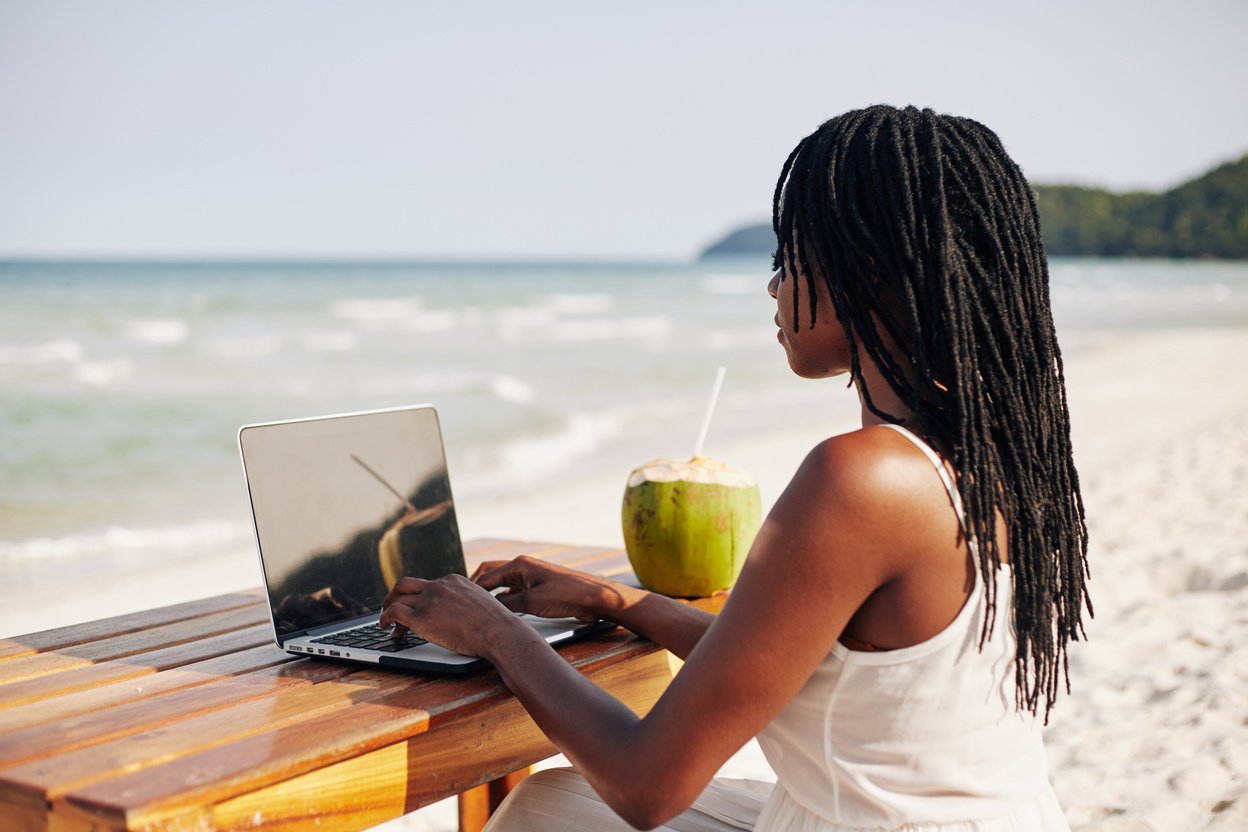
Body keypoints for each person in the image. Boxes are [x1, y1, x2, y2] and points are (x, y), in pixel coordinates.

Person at [380, 104, 1091, 831]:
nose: (774, 286)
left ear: (866, 269)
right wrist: (615, 603)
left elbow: (646, 784)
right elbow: (797, 659)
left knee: (548, 816)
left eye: (790, 258)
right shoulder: (998, 450)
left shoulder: (862, 480)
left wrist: (496, 633)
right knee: (547, 803)